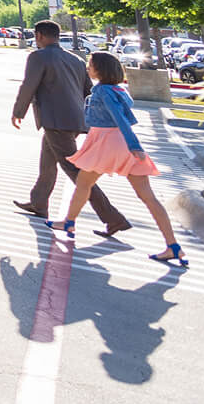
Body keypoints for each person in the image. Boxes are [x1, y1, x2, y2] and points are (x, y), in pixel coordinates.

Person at [47, 51, 186, 265]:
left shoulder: (103, 91)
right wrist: (133, 146)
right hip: (119, 143)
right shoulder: (118, 89)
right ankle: (173, 246)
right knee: (148, 197)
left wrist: (134, 146)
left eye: (90, 65)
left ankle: (69, 222)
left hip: (107, 144)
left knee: (83, 184)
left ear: (100, 69)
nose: (87, 68)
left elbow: (120, 118)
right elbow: (125, 118)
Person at [11, 19, 130, 235]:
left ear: (39, 36)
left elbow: (29, 85)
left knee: (76, 172)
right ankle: (38, 203)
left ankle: (113, 218)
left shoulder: (38, 57)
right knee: (47, 160)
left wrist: (18, 112)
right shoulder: (75, 59)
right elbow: (88, 91)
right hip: (75, 120)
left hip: (56, 121)